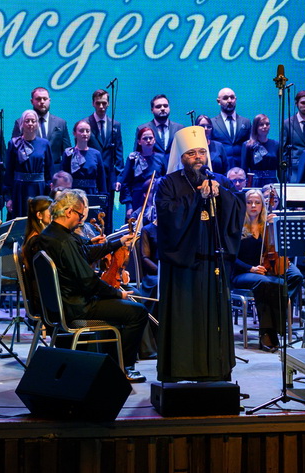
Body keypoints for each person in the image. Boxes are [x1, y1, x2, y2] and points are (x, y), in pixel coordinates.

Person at [155, 126, 245, 381]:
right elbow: (168, 215)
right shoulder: (168, 183)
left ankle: (215, 370)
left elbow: (238, 208)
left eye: (201, 152)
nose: (198, 158)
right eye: (191, 153)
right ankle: (180, 370)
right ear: (182, 157)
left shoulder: (220, 180)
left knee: (214, 316)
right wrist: (196, 197)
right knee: (184, 320)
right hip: (183, 266)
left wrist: (221, 195)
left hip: (212, 261)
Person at [32, 190, 150, 383]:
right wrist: (117, 294)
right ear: (69, 211)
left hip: (63, 303)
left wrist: (117, 242)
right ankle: (124, 368)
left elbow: (85, 253)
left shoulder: (50, 234)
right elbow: (88, 281)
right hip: (77, 306)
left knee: (126, 308)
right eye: (80, 216)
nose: (81, 220)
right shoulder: (64, 241)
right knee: (138, 313)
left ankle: (113, 364)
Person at [232, 188, 304, 351]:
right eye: (249, 202)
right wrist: (250, 268)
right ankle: (267, 332)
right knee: (267, 283)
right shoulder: (236, 226)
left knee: (289, 279)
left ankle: (273, 324)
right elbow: (230, 257)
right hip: (242, 272)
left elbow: (277, 250)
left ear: (262, 206)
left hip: (263, 270)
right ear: (244, 204)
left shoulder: (267, 225)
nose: (253, 206)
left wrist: (275, 227)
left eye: (257, 203)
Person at [5, 109, 55, 214]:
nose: (30, 124)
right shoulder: (13, 144)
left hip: (39, 189)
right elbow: (9, 171)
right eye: (27, 121)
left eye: (33, 121)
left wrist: (49, 193)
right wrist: (8, 197)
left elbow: (49, 170)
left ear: (37, 124)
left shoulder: (44, 144)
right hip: (19, 189)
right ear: (22, 124)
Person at [80, 89, 123, 195]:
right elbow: (80, 150)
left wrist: (119, 177)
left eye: (104, 103)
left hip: (109, 176)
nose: (101, 106)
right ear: (93, 103)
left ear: (108, 103)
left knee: (108, 204)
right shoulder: (85, 124)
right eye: (98, 103)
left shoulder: (115, 125)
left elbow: (118, 152)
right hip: (90, 175)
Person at [13, 86, 70, 161]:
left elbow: (67, 152)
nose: (42, 102)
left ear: (49, 100)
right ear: (32, 101)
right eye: (38, 99)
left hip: (55, 167)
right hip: (31, 166)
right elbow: (15, 150)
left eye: (45, 99)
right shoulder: (21, 123)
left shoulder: (60, 123)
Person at [120, 124, 164, 214]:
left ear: (154, 140)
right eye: (145, 138)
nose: (148, 141)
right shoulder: (133, 158)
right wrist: (129, 206)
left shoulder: (161, 158)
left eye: (150, 138)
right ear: (139, 142)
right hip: (137, 199)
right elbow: (125, 184)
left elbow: (166, 180)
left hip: (156, 199)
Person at [206, 87, 252, 170]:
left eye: (232, 97)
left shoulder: (246, 122)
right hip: (221, 170)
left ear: (236, 99)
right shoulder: (212, 123)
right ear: (218, 101)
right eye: (225, 98)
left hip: (241, 169)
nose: (230, 100)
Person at [61, 119, 107, 198]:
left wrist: (103, 196)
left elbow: (101, 178)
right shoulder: (68, 153)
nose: (85, 133)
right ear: (74, 133)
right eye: (81, 131)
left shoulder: (96, 154)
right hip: (73, 194)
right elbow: (63, 176)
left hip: (91, 193)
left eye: (87, 131)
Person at [242, 114, 281, 189]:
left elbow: (280, 169)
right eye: (261, 124)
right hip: (255, 182)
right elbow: (244, 167)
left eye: (267, 124)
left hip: (272, 182)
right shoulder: (248, 145)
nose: (265, 126)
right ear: (255, 127)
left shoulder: (276, 144)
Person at [144, 94, 183, 162]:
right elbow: (138, 155)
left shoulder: (179, 128)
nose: (162, 108)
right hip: (152, 167)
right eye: (158, 106)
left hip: (174, 167)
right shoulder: (143, 129)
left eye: (165, 106)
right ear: (152, 110)